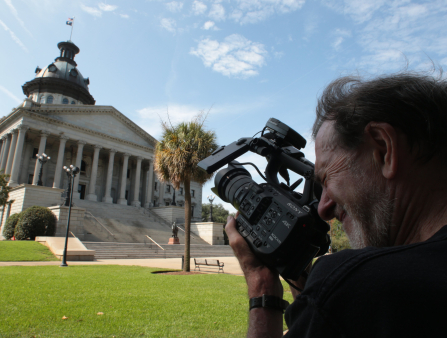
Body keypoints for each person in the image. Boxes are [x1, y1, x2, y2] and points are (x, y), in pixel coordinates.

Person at [225, 72, 447, 337]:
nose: (323, 207)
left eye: (327, 178)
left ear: (383, 148)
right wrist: (298, 269)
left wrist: (261, 287)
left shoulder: (358, 285)